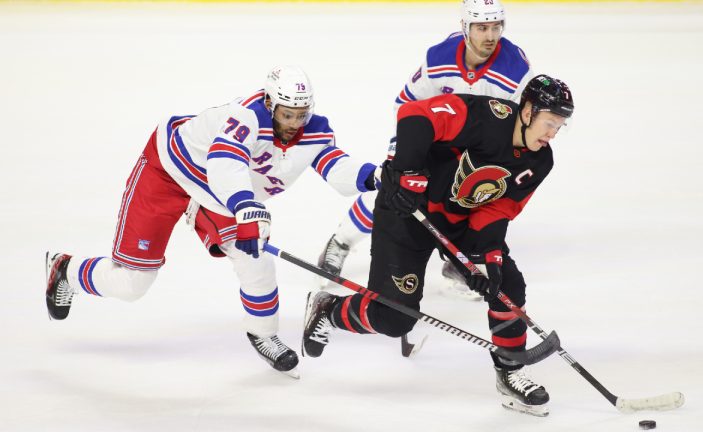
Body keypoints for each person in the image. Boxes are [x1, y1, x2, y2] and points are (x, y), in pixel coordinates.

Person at [45, 65, 378, 379]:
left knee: (256, 260)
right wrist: (246, 207)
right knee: (133, 284)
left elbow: (334, 164)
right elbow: (225, 163)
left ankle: (264, 335)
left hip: (222, 195)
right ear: (269, 102)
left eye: (301, 114)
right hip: (170, 172)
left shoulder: (315, 129)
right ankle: (66, 270)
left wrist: (375, 177)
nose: (294, 122)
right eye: (286, 114)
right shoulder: (245, 117)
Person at [302, 75, 574, 416]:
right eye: (549, 123)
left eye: (559, 127)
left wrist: (484, 257)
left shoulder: (540, 161)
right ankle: (328, 309)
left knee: (507, 285)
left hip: (459, 222)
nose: (552, 134)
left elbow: (498, 208)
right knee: (394, 319)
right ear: (529, 110)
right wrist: (407, 173)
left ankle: (511, 370)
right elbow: (416, 115)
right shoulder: (490, 116)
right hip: (406, 211)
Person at [317, 0, 535, 302]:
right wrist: (403, 155)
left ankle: (456, 263)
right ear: (465, 27)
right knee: (393, 193)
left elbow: (520, 127)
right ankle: (341, 241)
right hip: (436, 141)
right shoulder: (439, 58)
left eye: (496, 27)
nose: (490, 36)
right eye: (482, 27)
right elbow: (407, 103)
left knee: (475, 200)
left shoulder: (515, 70)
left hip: (478, 152)